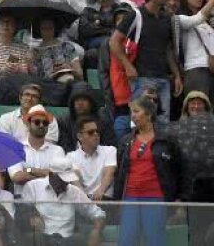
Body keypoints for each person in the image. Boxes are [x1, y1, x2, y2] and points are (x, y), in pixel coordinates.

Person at [110, 0, 183, 136]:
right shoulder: (135, 15)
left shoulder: (166, 18)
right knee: (139, 123)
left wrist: (176, 75)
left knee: (162, 124)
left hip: (163, 78)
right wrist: (128, 66)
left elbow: (168, 50)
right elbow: (114, 42)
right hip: (142, 77)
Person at [112, 96, 179, 246]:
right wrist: (117, 201)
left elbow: (177, 170)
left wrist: (180, 198)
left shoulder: (166, 140)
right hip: (130, 198)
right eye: (131, 112)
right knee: (126, 241)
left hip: (155, 198)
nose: (133, 115)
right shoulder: (125, 141)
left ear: (148, 114)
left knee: (155, 242)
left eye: (136, 111)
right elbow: (120, 175)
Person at [21, 172, 105, 245]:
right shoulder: (33, 186)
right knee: (33, 238)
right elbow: (22, 212)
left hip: (67, 241)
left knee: (79, 238)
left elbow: (97, 212)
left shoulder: (73, 191)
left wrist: (97, 230)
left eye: (67, 180)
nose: (65, 183)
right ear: (51, 175)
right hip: (43, 238)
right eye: (61, 180)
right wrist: (30, 216)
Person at [66, 116, 116, 201]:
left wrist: (100, 191)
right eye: (90, 132)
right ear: (79, 136)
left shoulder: (110, 150)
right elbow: (75, 180)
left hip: (105, 200)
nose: (96, 134)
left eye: (97, 131)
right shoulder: (71, 156)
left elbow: (109, 173)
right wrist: (85, 200)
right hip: (82, 201)